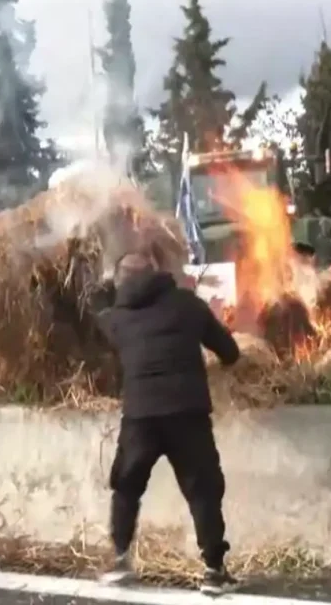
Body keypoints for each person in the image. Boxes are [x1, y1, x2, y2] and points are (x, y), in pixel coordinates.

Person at [97, 249, 241, 595]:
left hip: (140, 417)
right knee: (203, 490)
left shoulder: (115, 319)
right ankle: (213, 571)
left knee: (127, 486)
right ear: (159, 273)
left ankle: (120, 561)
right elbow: (230, 352)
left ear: (120, 282)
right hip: (187, 413)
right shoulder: (188, 305)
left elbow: (99, 336)